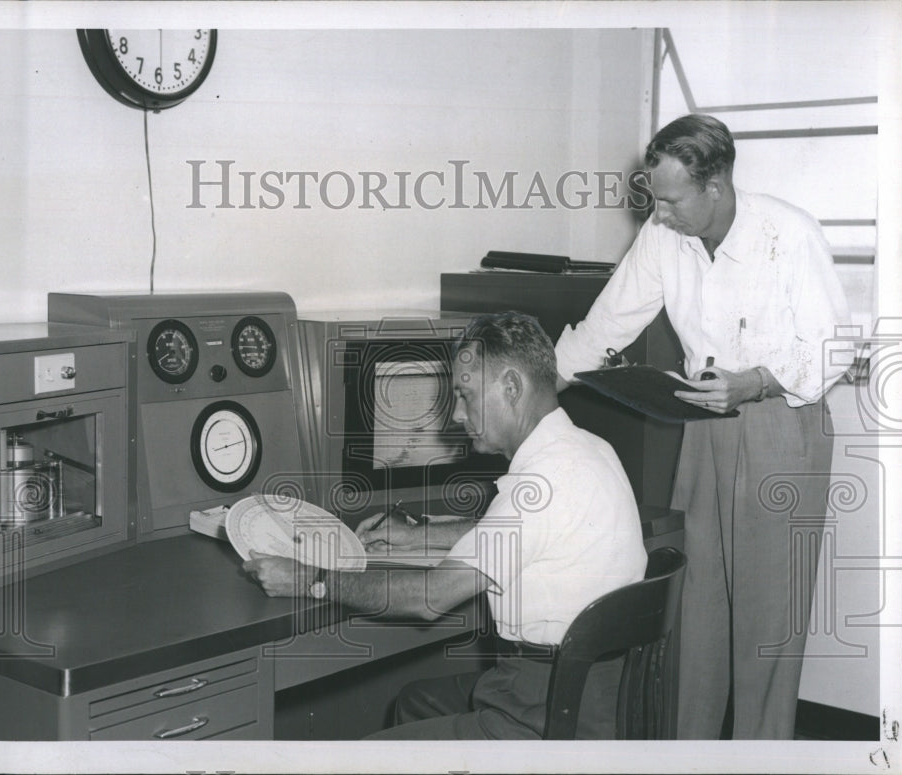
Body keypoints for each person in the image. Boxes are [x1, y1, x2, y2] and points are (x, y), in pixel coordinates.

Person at [554, 114, 850, 739]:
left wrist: (756, 381)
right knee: (696, 615)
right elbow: (608, 324)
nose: (657, 213)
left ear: (715, 186)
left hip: (782, 428)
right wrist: (538, 385)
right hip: (703, 424)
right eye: (653, 197)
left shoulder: (788, 233)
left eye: (669, 199)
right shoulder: (665, 237)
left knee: (769, 622)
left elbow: (833, 350)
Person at [244, 311, 647, 739]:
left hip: (543, 711)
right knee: (415, 700)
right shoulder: (590, 450)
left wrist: (311, 578)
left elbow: (429, 599)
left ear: (511, 387)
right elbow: (517, 536)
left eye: (465, 395)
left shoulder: (540, 481)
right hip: (602, 693)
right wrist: (414, 535)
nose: (456, 414)